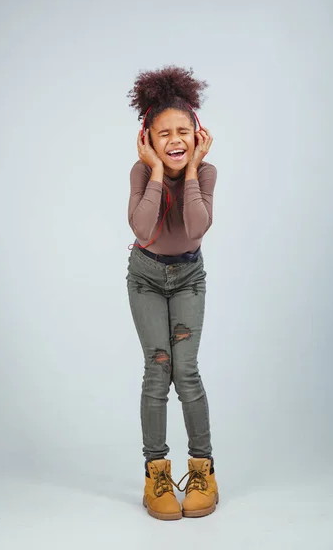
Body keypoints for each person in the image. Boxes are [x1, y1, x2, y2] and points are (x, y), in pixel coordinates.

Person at [126, 66, 219, 521]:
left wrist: (195, 169)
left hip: (187, 279)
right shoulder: (142, 174)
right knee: (157, 370)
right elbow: (142, 229)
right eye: (164, 134)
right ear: (149, 138)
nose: (176, 139)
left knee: (186, 372)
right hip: (145, 277)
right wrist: (158, 171)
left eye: (184, 131)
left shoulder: (208, 173)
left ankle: (203, 470)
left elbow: (196, 227)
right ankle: (156, 475)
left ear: (198, 135)